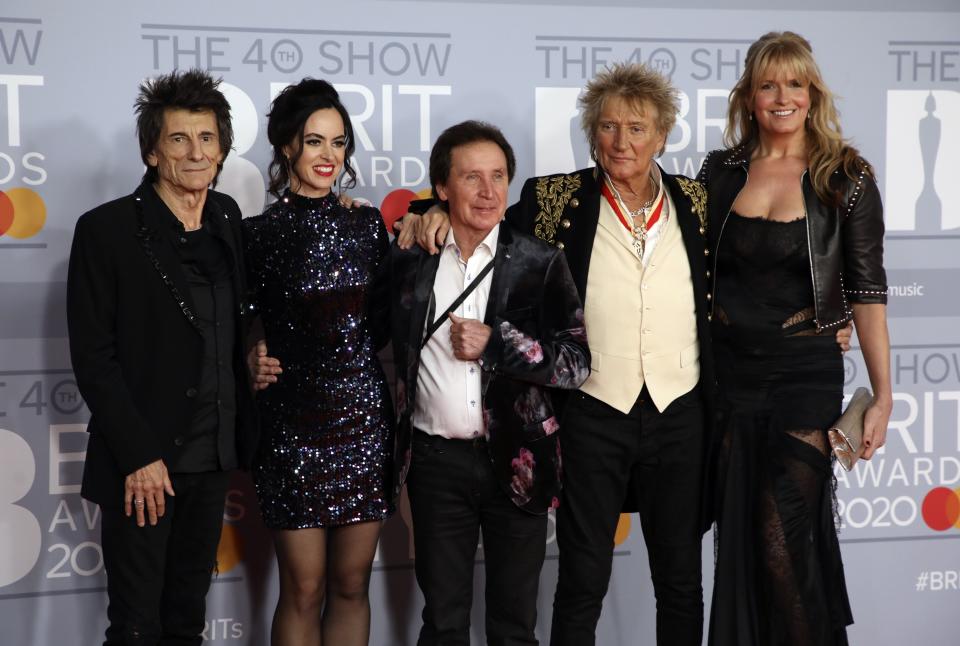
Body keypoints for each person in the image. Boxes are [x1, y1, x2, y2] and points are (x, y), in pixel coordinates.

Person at [401, 64, 716, 646]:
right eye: (608, 127)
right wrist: (430, 210)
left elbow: (748, 274)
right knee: (582, 576)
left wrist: (825, 323)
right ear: (592, 133)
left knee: (681, 581)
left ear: (664, 136)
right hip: (594, 411)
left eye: (638, 128)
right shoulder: (554, 198)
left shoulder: (694, 200)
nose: (622, 142)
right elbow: (484, 224)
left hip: (681, 411)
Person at [696, 31, 891, 646]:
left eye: (795, 84)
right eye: (768, 84)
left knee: (782, 534)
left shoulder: (845, 177)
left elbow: (867, 292)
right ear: (749, 96)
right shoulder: (720, 172)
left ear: (813, 93)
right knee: (747, 546)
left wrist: (882, 396)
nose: (782, 97)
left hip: (804, 372)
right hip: (730, 377)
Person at [67, 69, 258, 645]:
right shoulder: (108, 230)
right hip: (145, 468)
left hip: (212, 455)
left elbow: (236, 321)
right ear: (152, 151)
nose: (195, 152)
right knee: (136, 626)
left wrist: (257, 353)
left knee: (185, 621)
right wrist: (138, 455)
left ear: (223, 149)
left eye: (206, 139)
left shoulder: (226, 218)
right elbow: (94, 358)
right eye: (179, 139)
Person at [379, 120, 590, 645]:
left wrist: (498, 343)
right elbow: (367, 331)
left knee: (514, 626)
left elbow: (576, 362)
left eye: (498, 176)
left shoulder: (540, 260)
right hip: (434, 464)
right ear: (443, 188)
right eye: (471, 177)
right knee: (443, 620)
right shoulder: (411, 257)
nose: (489, 191)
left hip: (517, 463)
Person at [242, 78, 393, 646]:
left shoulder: (366, 224)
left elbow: (390, 316)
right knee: (303, 587)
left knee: (352, 584)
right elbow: (229, 324)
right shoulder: (257, 235)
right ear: (286, 147)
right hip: (292, 425)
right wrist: (249, 357)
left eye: (338, 142)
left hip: (362, 419)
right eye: (314, 142)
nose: (328, 156)